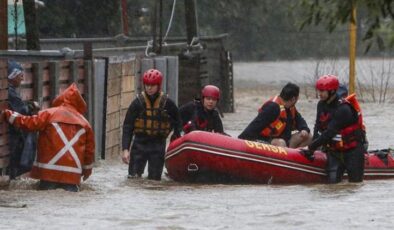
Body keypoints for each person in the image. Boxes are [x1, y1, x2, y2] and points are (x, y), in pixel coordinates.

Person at [3, 83, 95, 192]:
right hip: (72, 177)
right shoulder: (85, 124)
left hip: (48, 173)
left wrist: (9, 115)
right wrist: (87, 172)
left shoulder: (49, 114)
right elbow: (89, 152)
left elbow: (29, 123)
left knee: (46, 194)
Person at [303, 75, 365, 183]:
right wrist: (314, 146)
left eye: (322, 91)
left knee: (355, 185)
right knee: (332, 186)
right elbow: (317, 127)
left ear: (332, 91)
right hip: (334, 152)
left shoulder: (343, 109)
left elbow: (330, 133)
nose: (319, 94)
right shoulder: (321, 105)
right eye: (319, 90)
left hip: (353, 152)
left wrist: (310, 147)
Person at [122, 69, 181, 180]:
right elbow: (128, 126)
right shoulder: (137, 103)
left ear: (158, 85)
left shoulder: (168, 104)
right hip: (139, 144)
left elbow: (178, 123)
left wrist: (175, 142)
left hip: (158, 146)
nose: (149, 88)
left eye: (152, 85)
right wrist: (125, 149)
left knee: (154, 181)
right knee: (133, 179)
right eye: (147, 85)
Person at [238, 82, 312, 148]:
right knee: (281, 143)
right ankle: (285, 158)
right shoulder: (273, 107)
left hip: (285, 141)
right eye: (297, 98)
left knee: (308, 136)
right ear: (293, 99)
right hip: (265, 140)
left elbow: (300, 120)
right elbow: (255, 125)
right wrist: (240, 142)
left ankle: (293, 158)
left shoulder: (290, 108)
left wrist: (304, 129)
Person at [6, 61, 40, 179]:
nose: (22, 79)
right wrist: (32, 107)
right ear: (13, 76)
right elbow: (22, 111)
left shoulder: (9, 91)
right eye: (20, 76)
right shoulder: (10, 92)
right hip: (11, 136)